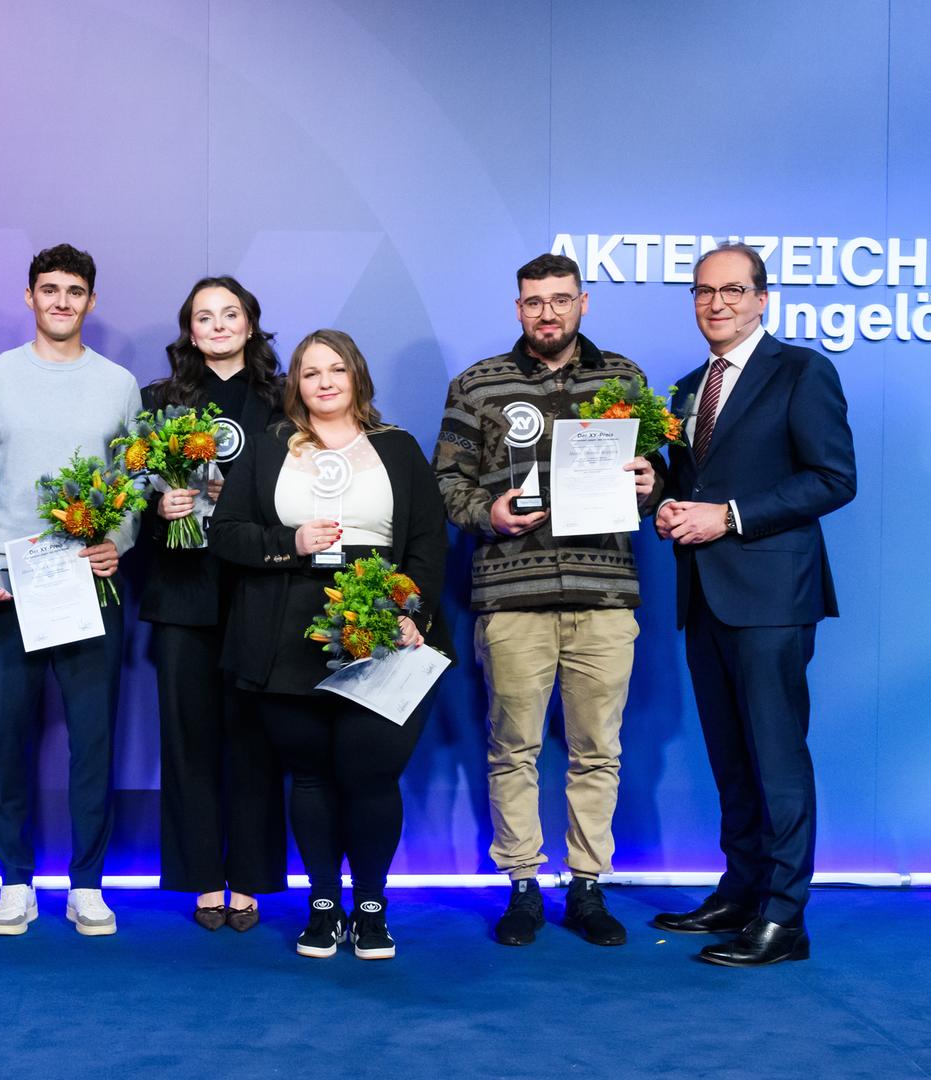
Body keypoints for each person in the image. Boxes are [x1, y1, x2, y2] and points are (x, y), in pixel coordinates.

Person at [433, 253, 661, 947]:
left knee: (599, 750)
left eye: (560, 300)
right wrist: (487, 512)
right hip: (511, 594)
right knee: (514, 749)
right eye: (534, 302)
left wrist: (651, 482)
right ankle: (524, 886)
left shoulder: (624, 379)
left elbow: (652, 477)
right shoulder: (477, 385)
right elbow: (446, 481)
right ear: (517, 308)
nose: (548, 313)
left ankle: (587, 886)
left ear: (583, 302)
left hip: (604, 593)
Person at [208, 329, 449, 961]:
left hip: (381, 627)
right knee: (310, 778)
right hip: (286, 633)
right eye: (310, 372)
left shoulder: (397, 448)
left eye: (336, 369)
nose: (324, 382)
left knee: (371, 776)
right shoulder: (265, 450)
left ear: (357, 376)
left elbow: (427, 541)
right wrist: (290, 541)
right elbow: (227, 534)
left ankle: (371, 907)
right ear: (296, 384)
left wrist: (409, 608)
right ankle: (322, 906)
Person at [652, 242, 856, 967]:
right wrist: (661, 499)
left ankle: (784, 917)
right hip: (704, 594)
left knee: (775, 756)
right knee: (731, 759)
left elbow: (833, 478)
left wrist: (729, 516)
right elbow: (690, 487)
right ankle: (739, 890)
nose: (717, 303)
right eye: (704, 291)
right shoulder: (683, 388)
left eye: (733, 291)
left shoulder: (802, 371)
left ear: (762, 298)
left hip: (772, 595)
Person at [0, 243, 139, 937]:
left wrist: (114, 542)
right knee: (7, 739)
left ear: (90, 301)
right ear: (29, 297)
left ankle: (87, 885)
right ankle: (14, 883)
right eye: (49, 290)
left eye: (73, 291)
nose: (61, 301)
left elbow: (132, 483)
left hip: (88, 586)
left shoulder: (119, 383)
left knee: (93, 741)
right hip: (9, 585)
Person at [139, 276, 287, 931]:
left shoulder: (284, 402)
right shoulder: (158, 401)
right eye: (206, 316)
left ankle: (250, 876)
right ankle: (202, 877)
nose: (219, 325)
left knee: (255, 739)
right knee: (189, 738)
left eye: (231, 314)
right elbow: (126, 491)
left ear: (250, 325)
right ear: (190, 330)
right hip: (182, 590)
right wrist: (155, 505)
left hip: (259, 590)